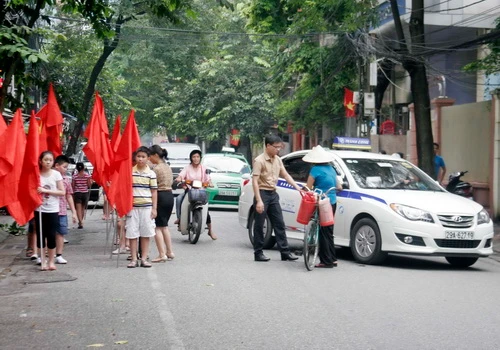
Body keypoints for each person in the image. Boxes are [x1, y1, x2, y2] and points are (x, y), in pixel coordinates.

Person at [252, 135, 302, 262]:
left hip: (273, 194)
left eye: (280, 147)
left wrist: (297, 187)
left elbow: (285, 175)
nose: (278, 150)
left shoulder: (278, 160)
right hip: (262, 193)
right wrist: (259, 200)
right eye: (276, 147)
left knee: (279, 223)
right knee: (259, 224)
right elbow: (255, 182)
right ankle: (258, 253)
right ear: (268, 146)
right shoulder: (259, 161)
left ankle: (285, 252)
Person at [303, 146, 342, 268]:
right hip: (332, 202)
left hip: (321, 202)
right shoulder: (331, 169)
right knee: (328, 230)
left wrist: (305, 189)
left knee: (323, 230)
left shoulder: (314, 170)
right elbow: (339, 187)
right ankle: (333, 258)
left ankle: (326, 261)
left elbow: (309, 187)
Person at [174, 149, 217, 240]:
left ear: (200, 158)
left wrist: (210, 182)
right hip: (189, 190)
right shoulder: (187, 168)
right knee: (178, 199)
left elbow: (208, 178)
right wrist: (179, 178)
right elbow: (181, 175)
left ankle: (210, 230)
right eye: (194, 157)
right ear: (191, 158)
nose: (196, 159)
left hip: (201, 191)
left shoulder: (204, 168)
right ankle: (179, 219)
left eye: (197, 157)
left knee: (206, 211)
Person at [126, 146, 158, 268]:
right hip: (132, 208)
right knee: (132, 233)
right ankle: (134, 259)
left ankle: (144, 258)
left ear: (148, 158)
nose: (140, 159)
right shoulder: (130, 172)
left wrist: (154, 208)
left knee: (146, 233)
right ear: (135, 158)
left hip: (147, 208)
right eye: (138, 156)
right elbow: (125, 189)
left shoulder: (151, 174)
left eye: (143, 157)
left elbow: (154, 191)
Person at [35, 151, 65, 271]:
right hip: (39, 209)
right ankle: (43, 260)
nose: (48, 162)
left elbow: (62, 192)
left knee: (51, 235)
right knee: (41, 236)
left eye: (50, 160)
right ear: (40, 161)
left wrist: (45, 191)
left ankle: (51, 261)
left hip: (52, 209)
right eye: (46, 160)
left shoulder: (56, 174)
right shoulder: (37, 174)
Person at [149, 145, 175, 262]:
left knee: (157, 227)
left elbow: (152, 186)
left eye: (150, 156)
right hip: (170, 196)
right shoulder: (167, 166)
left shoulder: (156, 169)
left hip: (160, 196)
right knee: (164, 226)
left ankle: (161, 254)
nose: (149, 159)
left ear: (155, 155)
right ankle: (170, 251)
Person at [54, 155, 78, 264]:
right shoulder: (48, 177)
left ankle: (59, 255)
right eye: (64, 167)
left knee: (60, 233)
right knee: (48, 233)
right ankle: (46, 253)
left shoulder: (66, 179)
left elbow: (69, 196)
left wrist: (73, 212)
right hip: (49, 210)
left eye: (67, 167)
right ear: (57, 166)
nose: (66, 169)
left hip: (62, 211)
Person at [72, 162, 91, 229]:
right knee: (83, 208)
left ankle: (80, 222)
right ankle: (81, 221)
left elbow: (73, 186)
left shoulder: (74, 176)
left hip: (77, 193)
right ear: (83, 168)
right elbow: (89, 185)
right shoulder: (87, 176)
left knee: (78, 209)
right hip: (85, 193)